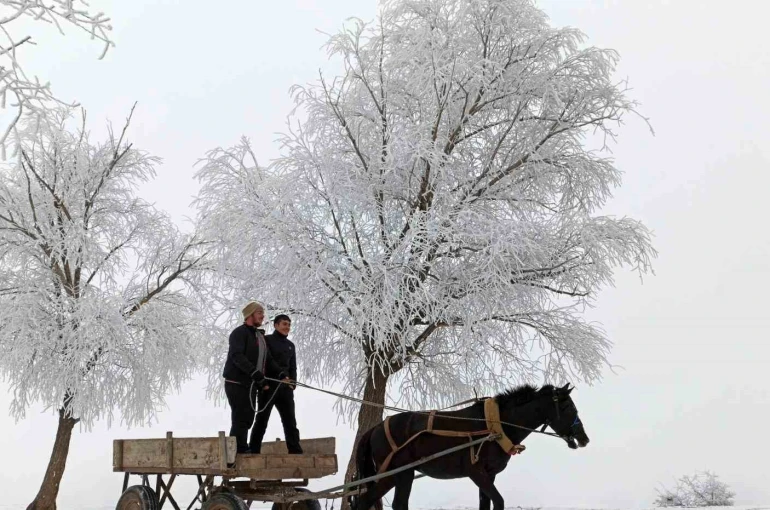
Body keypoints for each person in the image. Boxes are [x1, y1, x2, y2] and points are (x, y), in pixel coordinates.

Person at [222, 301, 289, 454]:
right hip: (236, 382)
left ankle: (240, 448)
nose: (262, 316)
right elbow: (237, 356)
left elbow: (268, 359)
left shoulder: (259, 336)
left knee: (248, 417)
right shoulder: (239, 333)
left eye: (262, 313)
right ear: (250, 315)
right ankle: (238, 451)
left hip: (251, 383)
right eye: (259, 312)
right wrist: (254, 372)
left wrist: (281, 374)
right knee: (241, 416)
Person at [249, 314, 303, 454]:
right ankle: (253, 450)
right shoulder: (266, 340)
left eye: (289, 325)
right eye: (284, 324)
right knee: (262, 420)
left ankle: (295, 451)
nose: (287, 327)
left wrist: (293, 383)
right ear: (276, 325)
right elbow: (267, 361)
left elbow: (293, 367)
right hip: (269, 386)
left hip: (286, 389)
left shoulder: (291, 345)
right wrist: (275, 378)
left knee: (290, 421)